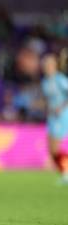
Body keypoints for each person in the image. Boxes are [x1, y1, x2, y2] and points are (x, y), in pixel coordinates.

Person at [41, 54, 68, 183]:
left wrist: (61, 108)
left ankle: (66, 172)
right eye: (45, 64)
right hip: (51, 117)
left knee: (56, 148)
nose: (47, 67)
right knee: (52, 151)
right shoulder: (45, 82)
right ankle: (65, 173)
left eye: (49, 64)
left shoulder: (60, 79)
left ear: (55, 65)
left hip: (61, 116)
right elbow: (48, 99)